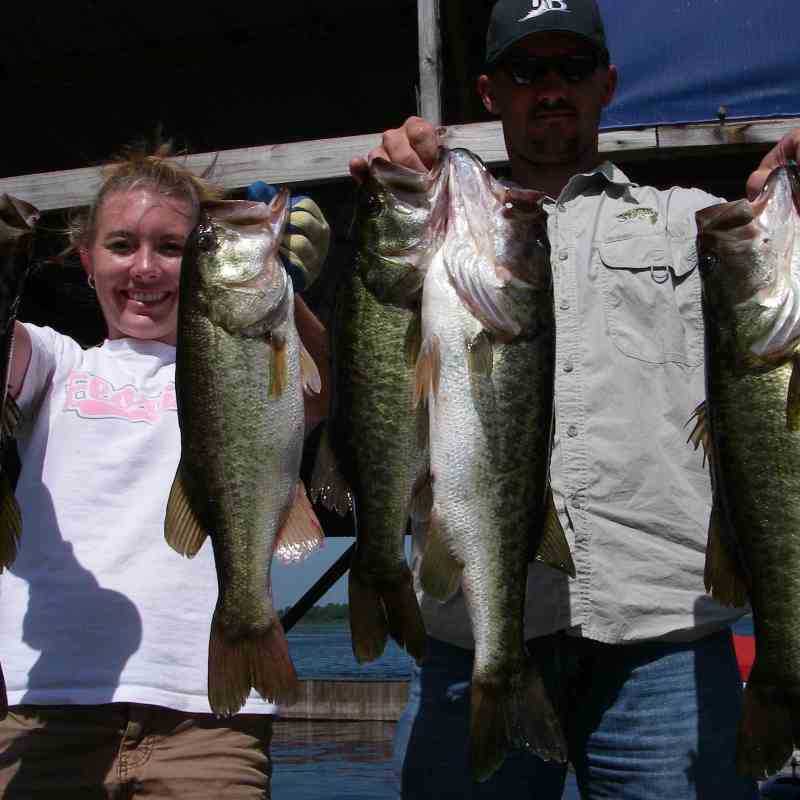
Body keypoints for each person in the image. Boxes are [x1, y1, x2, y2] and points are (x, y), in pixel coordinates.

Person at [351, 1, 800, 798]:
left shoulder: (697, 222)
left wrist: (789, 200)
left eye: (573, 67)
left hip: (663, 634)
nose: (551, 87)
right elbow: (362, 371)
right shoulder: (439, 229)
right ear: (490, 92)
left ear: (608, 84)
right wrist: (400, 194)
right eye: (528, 70)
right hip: (475, 634)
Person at [0, 143, 331, 799]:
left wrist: (282, 290)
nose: (145, 267)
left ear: (202, 263)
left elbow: (321, 396)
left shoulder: (248, 360)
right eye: (122, 245)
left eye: (172, 248)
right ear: (87, 260)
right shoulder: (59, 362)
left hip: (207, 724)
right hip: (45, 707)